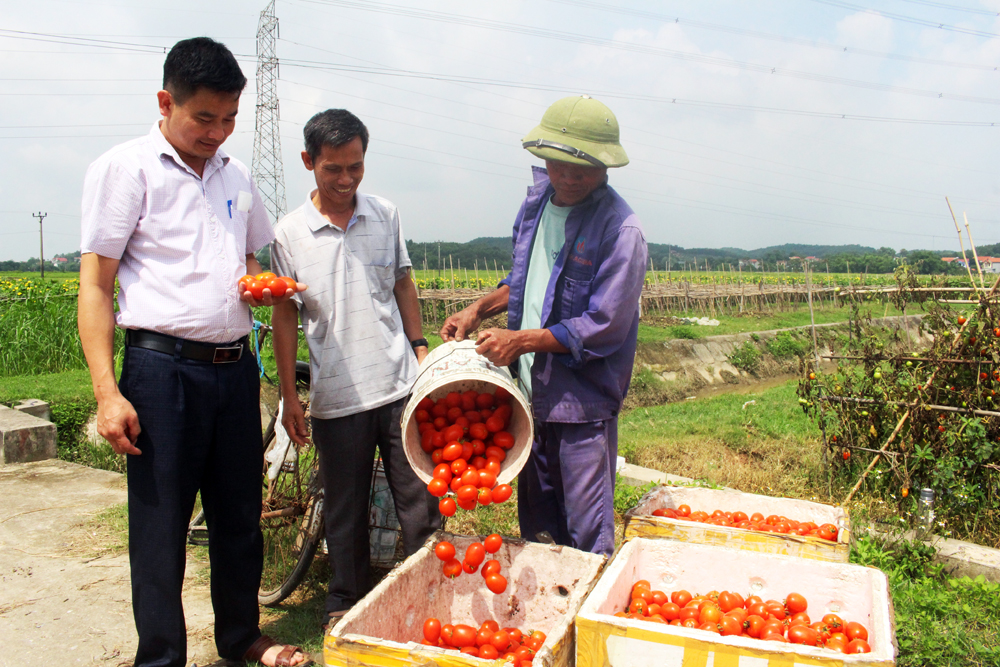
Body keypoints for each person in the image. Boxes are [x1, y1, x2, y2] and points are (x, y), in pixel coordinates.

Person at [78, 37, 309, 667]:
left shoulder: (237, 176)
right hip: (160, 371)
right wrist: (108, 392)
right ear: (165, 101)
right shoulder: (127, 169)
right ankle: (161, 656)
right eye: (204, 118)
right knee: (161, 528)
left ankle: (241, 637)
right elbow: (96, 287)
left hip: (234, 368)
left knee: (240, 515)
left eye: (230, 118)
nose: (219, 132)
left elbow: (251, 261)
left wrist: (265, 286)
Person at [440, 95, 647, 557]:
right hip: (530, 395)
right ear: (545, 159)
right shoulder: (536, 204)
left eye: (584, 168)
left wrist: (522, 340)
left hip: (580, 403)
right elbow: (527, 277)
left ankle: (586, 622)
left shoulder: (620, 231)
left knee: (585, 532)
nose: (570, 177)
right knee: (538, 526)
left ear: (605, 167)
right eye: (560, 165)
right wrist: (479, 308)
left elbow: (604, 325)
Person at [269, 109, 440, 628]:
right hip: (336, 396)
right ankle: (346, 601)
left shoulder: (384, 214)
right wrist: (289, 396)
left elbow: (403, 283)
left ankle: (427, 590)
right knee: (343, 509)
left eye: (356, 168)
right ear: (308, 163)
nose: (345, 181)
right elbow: (283, 315)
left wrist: (418, 346)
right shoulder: (289, 233)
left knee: (419, 502)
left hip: (397, 387)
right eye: (333, 170)